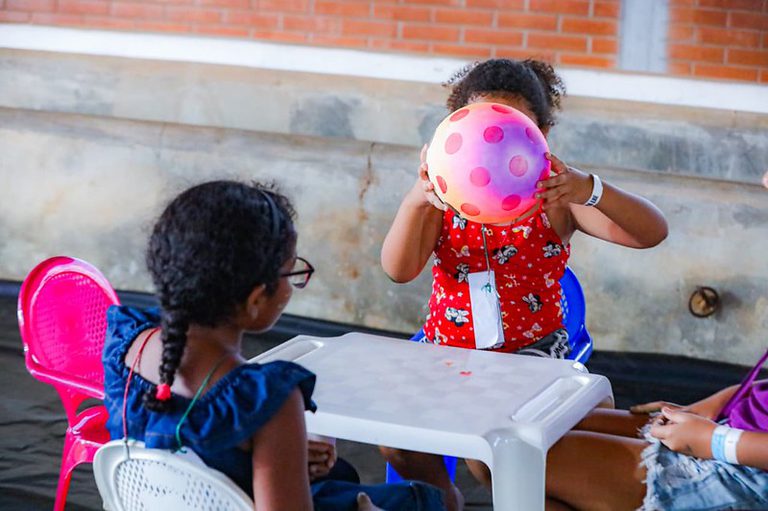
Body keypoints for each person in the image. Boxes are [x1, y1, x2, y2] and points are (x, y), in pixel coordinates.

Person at [380, 58, 669, 509]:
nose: (492, 148)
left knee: (496, 456)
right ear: (452, 132)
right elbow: (398, 269)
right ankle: (443, 497)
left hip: (530, 357)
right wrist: (419, 200)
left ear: (540, 136)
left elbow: (651, 233)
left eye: (510, 131)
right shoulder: (442, 198)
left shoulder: (555, 195)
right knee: (393, 441)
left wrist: (589, 188)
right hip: (446, 353)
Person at [102, 181, 446, 511]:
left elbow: (186, 453)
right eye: (290, 272)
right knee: (437, 501)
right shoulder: (266, 400)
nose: (292, 284)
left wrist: (275, 455)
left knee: (340, 475)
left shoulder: (126, 343)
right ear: (255, 299)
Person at [539, 347, 768, 510]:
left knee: (528, 463)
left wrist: (717, 441)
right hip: (734, 429)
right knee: (557, 427)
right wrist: (717, 404)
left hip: (746, 467)